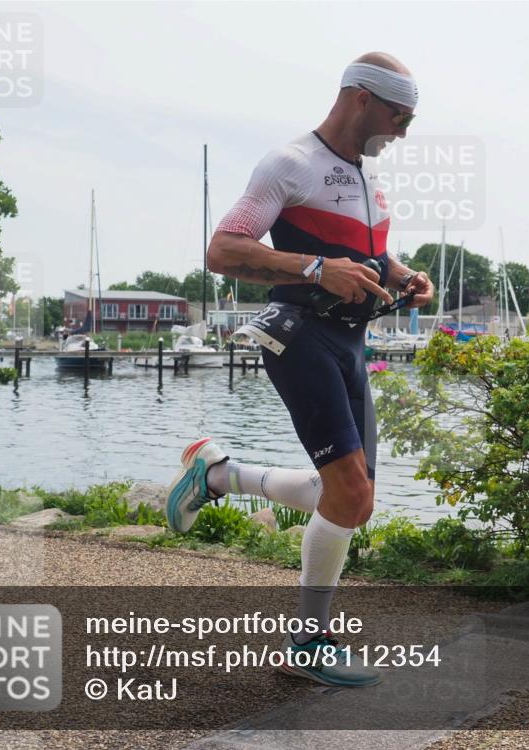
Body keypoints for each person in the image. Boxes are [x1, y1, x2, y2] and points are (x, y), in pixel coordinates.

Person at [165, 52, 433, 688]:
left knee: (354, 502)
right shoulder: (290, 163)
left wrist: (401, 275)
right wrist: (315, 268)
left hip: (351, 341)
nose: (402, 133)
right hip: (298, 334)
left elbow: (367, 251)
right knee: (350, 495)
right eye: (400, 117)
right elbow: (223, 250)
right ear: (362, 98)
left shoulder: (366, 176)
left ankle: (219, 474)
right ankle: (308, 642)